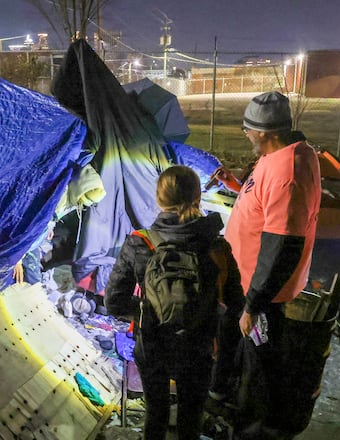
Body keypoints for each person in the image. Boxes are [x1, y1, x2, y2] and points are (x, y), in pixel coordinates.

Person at [104, 165, 244, 440]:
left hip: (153, 344)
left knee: (155, 416)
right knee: (190, 421)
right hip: (199, 347)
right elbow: (236, 302)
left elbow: (114, 302)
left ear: (159, 200)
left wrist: (148, 310)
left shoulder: (140, 243)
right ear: (197, 198)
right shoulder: (217, 247)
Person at [221, 91, 323, 439]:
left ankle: (252, 429)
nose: (246, 135)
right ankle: (241, 406)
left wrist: (254, 303)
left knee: (258, 366)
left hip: (261, 289)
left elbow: (283, 244)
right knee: (251, 357)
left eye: (247, 130)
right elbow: (263, 202)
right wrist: (235, 185)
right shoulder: (282, 154)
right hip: (251, 282)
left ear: (264, 133)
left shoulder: (287, 172)